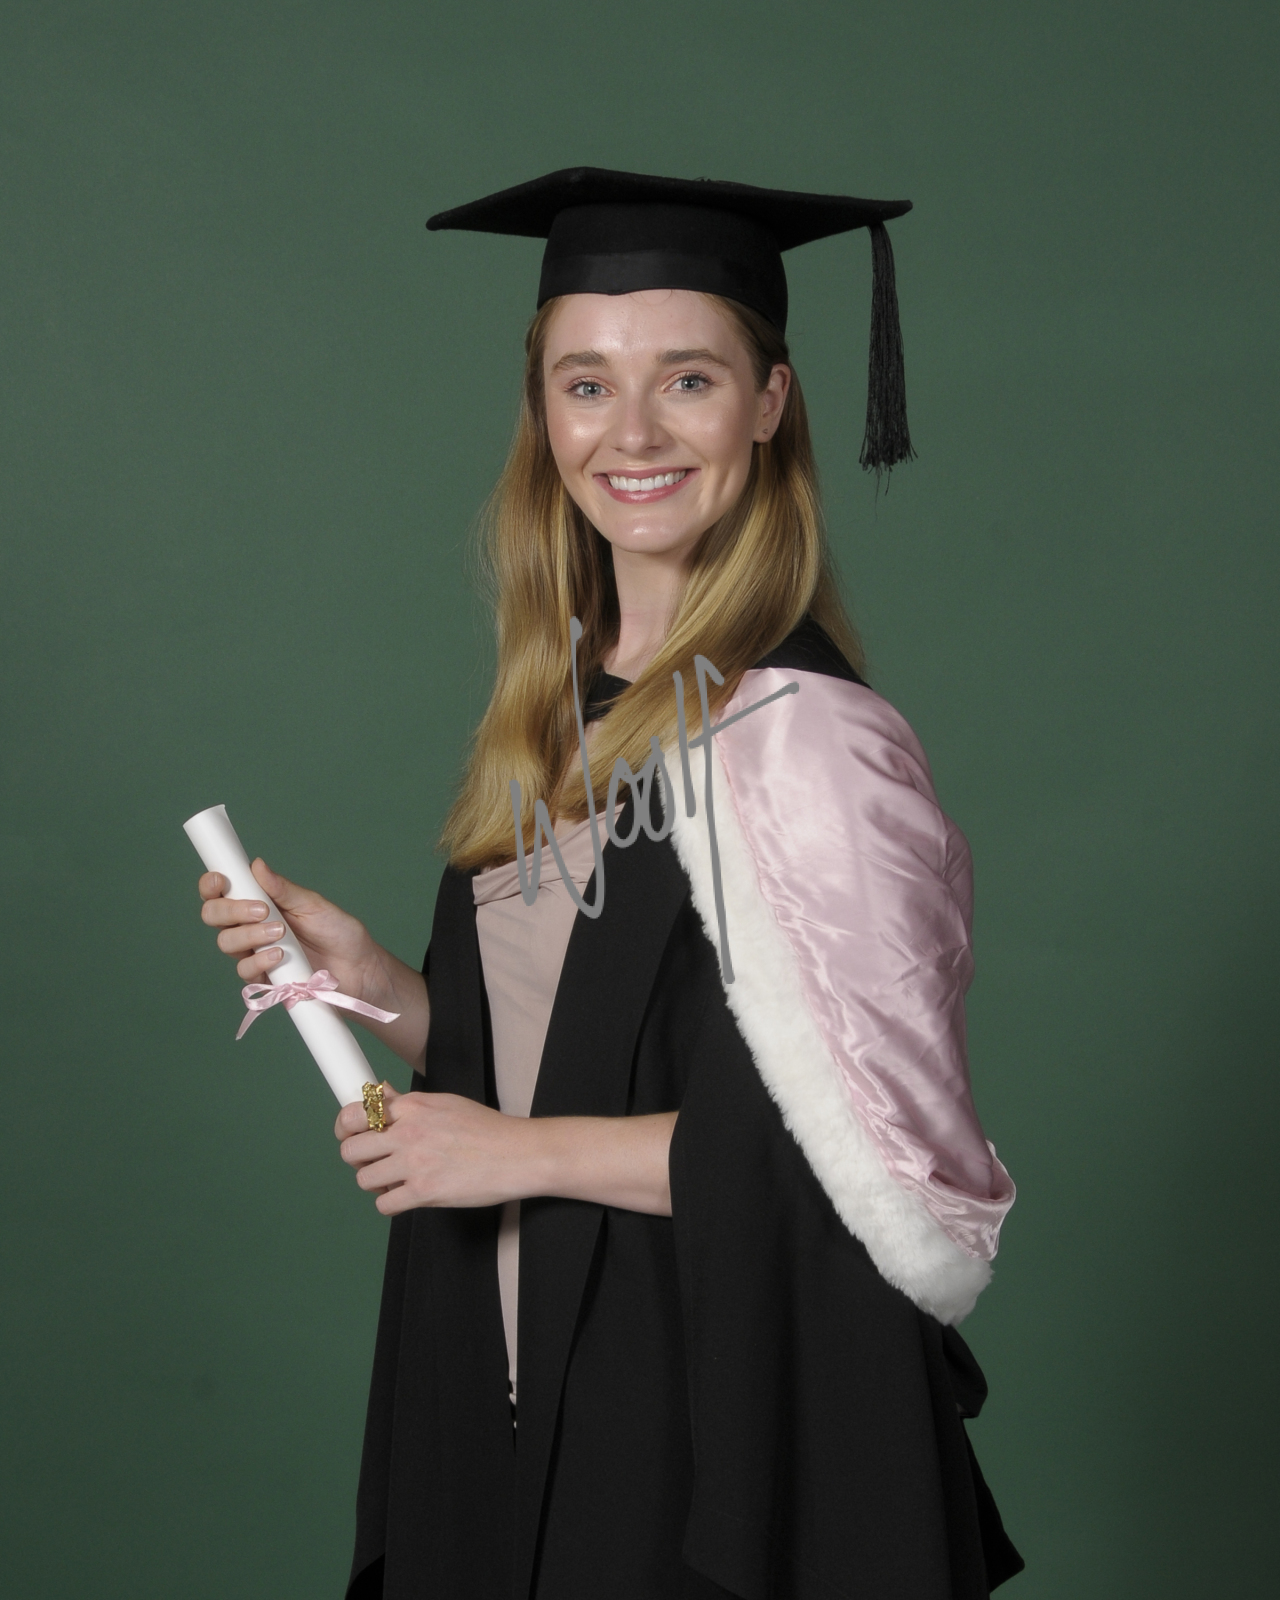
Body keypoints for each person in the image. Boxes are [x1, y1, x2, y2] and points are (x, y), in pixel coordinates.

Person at [198, 168, 1023, 1599]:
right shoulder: (563, 708)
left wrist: (510, 1160)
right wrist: (383, 987)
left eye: (687, 379)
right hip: (510, 1368)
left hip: (707, 1398)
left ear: (769, 402)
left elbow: (862, 1168)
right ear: (544, 415)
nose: (630, 433)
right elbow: (576, 1047)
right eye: (586, 385)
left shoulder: (807, 739)